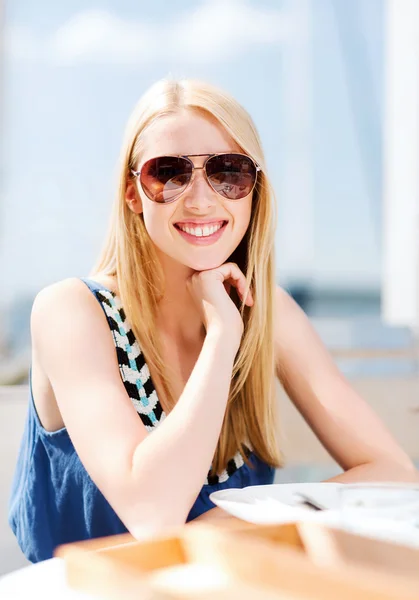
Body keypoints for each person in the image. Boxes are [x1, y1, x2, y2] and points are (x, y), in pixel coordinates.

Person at [8, 78, 418, 563]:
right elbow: (154, 515)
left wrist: (244, 521)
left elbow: (392, 472)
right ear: (134, 194)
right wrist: (222, 336)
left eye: (228, 172)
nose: (202, 200)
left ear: (253, 190)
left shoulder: (268, 311)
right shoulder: (71, 312)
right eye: (169, 174)